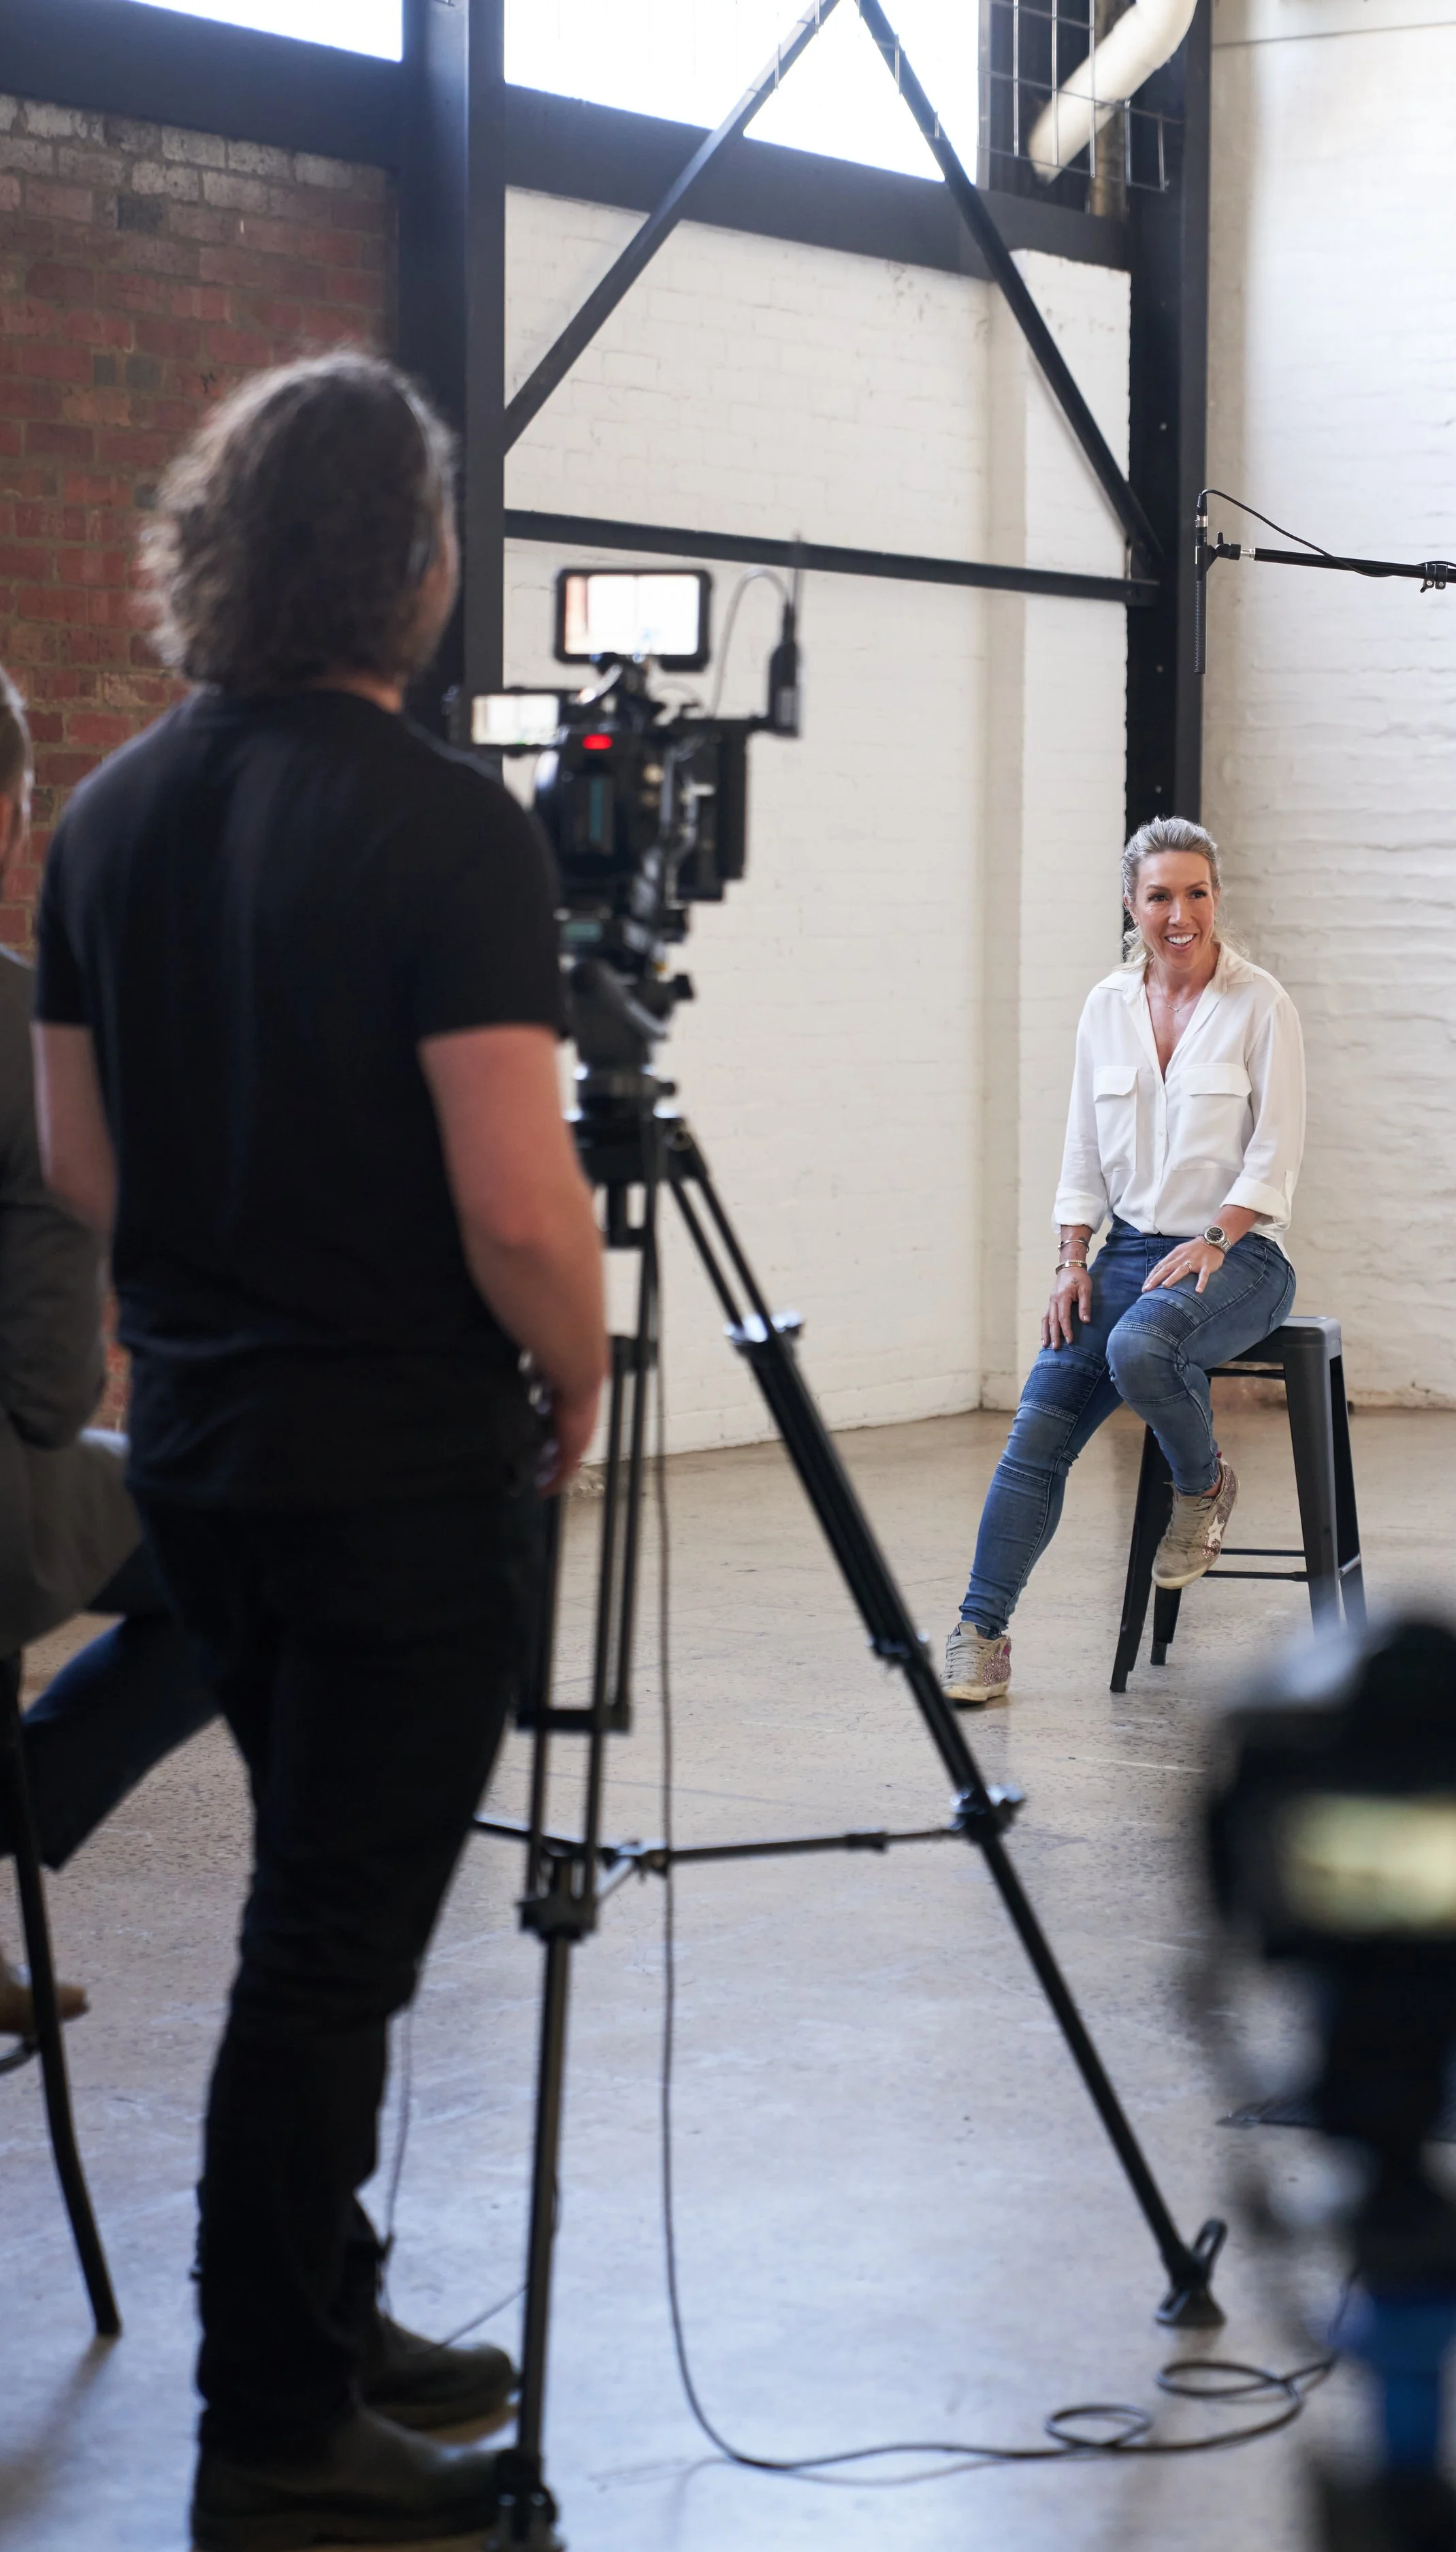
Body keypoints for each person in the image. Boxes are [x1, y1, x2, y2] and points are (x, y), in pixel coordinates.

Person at [32, 354, 608, 2552]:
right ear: (418, 564)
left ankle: (337, 2315)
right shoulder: (449, 826)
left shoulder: (107, 816)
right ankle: (275, 2421)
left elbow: (86, 1167)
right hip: (393, 1475)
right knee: (329, 1948)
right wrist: (582, 1363)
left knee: (320, 1895)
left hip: (199, 1450)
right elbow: (517, 1200)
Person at [942, 817, 1305, 1706]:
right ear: (1131, 905)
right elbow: (1082, 1150)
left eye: (1196, 894)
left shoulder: (1260, 1003)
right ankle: (980, 1636)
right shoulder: (1107, 1006)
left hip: (1240, 1253)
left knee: (1140, 1347)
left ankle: (1203, 1485)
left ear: (1217, 897)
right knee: (1036, 1433)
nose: (1180, 915)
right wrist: (1072, 1259)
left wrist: (1215, 1237)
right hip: (1128, 1251)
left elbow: (1276, 1153)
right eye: (1159, 897)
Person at [0, 669, 216, 2032]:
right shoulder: (28, 1037)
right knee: (237, 1543)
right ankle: (15, 1812)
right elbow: (46, 1389)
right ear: (6, 815)